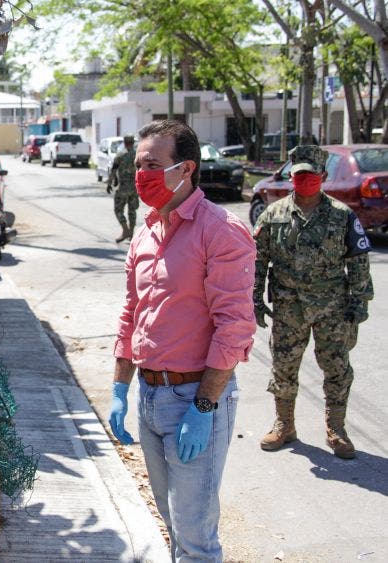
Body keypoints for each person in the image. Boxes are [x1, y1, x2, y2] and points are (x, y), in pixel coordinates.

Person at [108, 120, 256, 561]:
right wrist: (120, 387)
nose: (141, 174)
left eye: (152, 164)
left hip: (194, 398)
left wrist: (205, 406)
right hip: (150, 396)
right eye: (138, 164)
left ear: (186, 168)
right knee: (172, 522)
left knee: (195, 537)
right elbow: (132, 313)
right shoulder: (145, 233)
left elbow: (234, 328)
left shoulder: (220, 231)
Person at [253, 145, 373, 459]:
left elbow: (358, 260)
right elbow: (257, 260)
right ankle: (285, 424)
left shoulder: (342, 215)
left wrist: (359, 303)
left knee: (336, 368)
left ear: (322, 176)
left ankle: (336, 429)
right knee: (283, 367)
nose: (305, 180)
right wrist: (254, 298)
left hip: (332, 309)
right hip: (288, 308)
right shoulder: (273, 214)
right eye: (299, 175)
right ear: (292, 177)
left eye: (311, 174)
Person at [107, 135, 138, 242]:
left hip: (123, 188)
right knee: (132, 211)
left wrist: (109, 183)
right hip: (135, 188)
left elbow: (113, 170)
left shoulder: (120, 155)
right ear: (133, 143)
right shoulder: (137, 155)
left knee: (118, 210)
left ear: (124, 143)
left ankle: (126, 230)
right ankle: (131, 233)